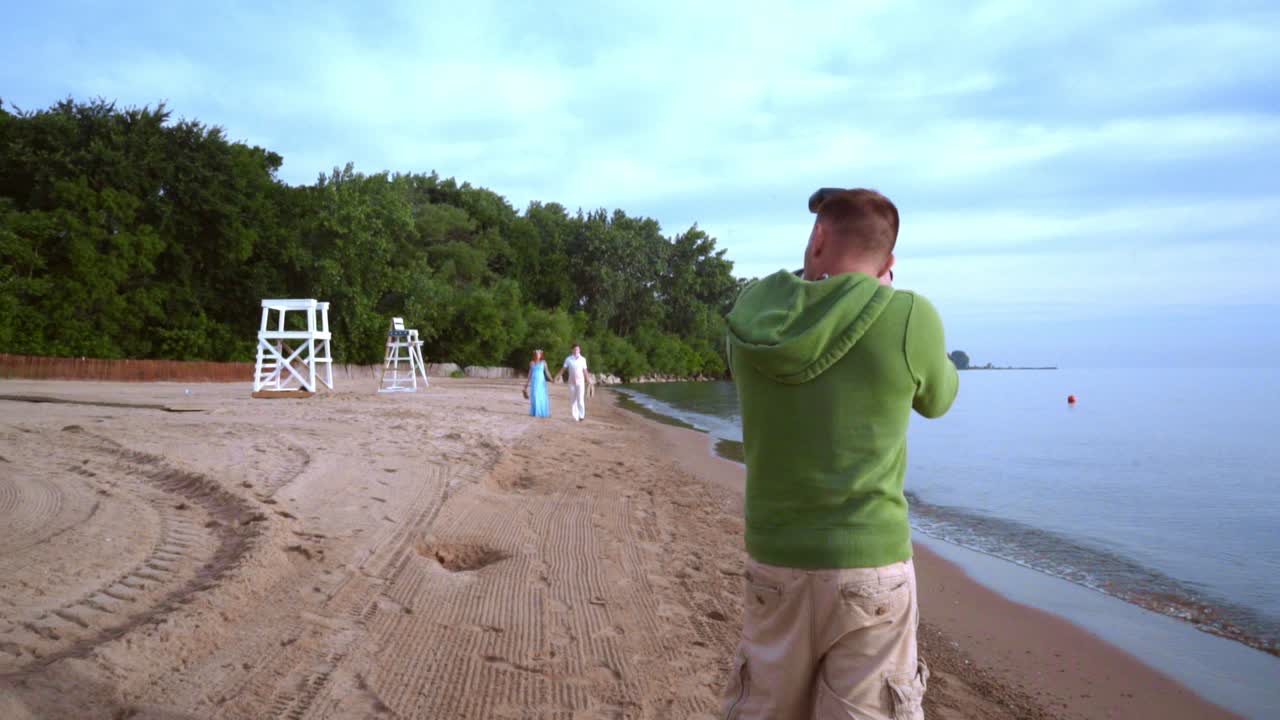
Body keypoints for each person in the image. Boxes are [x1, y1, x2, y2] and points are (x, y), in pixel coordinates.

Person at [721, 188, 958, 719]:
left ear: (819, 236)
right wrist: (883, 296)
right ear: (889, 262)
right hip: (869, 564)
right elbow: (939, 399)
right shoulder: (908, 316)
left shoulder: (751, 314)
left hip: (775, 558)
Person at [561, 343, 592, 422]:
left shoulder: (583, 359)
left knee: (580, 399)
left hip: (580, 382)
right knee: (573, 400)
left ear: (579, 350)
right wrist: (557, 377)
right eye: (574, 349)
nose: (576, 351)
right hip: (571, 382)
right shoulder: (568, 359)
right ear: (572, 350)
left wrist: (588, 380)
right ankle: (575, 416)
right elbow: (563, 369)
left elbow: (585, 371)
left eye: (577, 349)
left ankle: (581, 416)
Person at [524, 349, 553, 418]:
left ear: (541, 355)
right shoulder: (531, 363)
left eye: (539, 354)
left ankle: (542, 412)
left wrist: (552, 379)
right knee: (534, 396)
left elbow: (547, 372)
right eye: (536, 354)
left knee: (542, 397)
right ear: (534, 355)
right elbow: (530, 374)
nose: (538, 355)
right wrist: (526, 384)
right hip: (534, 382)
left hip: (541, 382)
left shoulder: (543, 362)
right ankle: (535, 412)